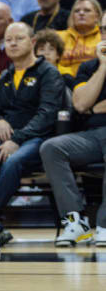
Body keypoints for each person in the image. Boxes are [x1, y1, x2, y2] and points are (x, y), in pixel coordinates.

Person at [0, 22, 64, 245]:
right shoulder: (7, 74)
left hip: (39, 140)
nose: (12, 43)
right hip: (8, 141)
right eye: (9, 39)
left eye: (18, 38)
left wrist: (17, 139)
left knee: (13, 162)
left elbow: (46, 114)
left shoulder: (48, 72)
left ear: (32, 43)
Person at [40, 13, 106, 247]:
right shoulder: (89, 67)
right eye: (104, 30)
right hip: (91, 136)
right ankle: (75, 220)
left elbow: (91, 104)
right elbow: (80, 104)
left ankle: (105, 224)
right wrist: (104, 66)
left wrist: (97, 106)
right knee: (52, 148)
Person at [57, 0, 102, 75]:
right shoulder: (58, 37)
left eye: (87, 10)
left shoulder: (103, 36)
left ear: (97, 16)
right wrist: (68, 74)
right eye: (77, 11)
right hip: (64, 80)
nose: (81, 13)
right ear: (72, 16)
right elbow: (50, 61)